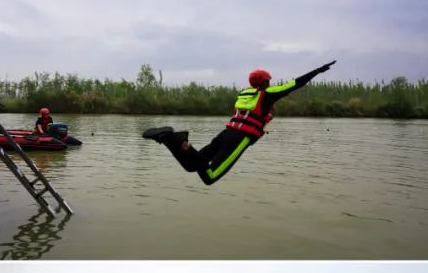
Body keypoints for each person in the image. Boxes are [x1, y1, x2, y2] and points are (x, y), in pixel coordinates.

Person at [142, 61, 336, 185]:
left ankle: (170, 140)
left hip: (224, 134)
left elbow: (253, 115)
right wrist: (317, 71)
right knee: (210, 177)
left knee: (193, 165)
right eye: (269, 82)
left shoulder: (244, 94)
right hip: (240, 138)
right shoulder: (266, 95)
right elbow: (295, 84)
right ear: (266, 83)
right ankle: (176, 139)